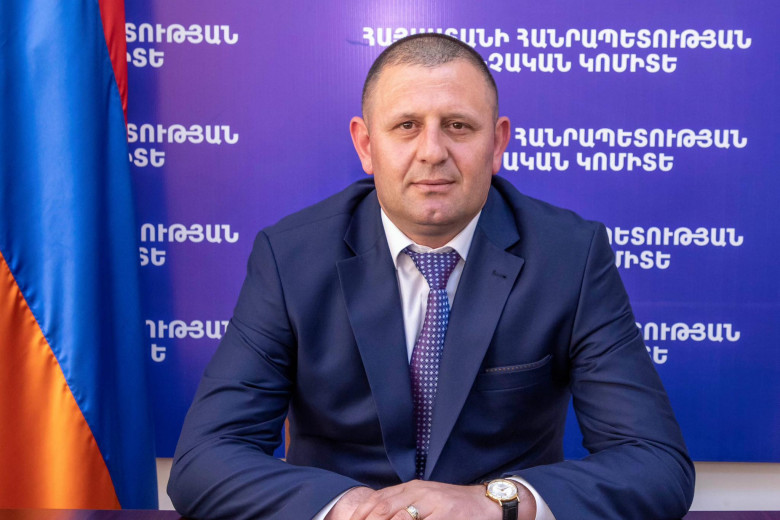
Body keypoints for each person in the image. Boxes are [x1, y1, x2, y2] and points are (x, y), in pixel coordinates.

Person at [168, 34, 695, 520]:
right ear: (366, 145)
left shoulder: (570, 257)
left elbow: (655, 463)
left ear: (497, 142)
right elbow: (205, 457)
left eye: (458, 126)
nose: (432, 151)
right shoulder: (290, 256)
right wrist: (349, 508)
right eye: (406, 126)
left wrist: (495, 503)